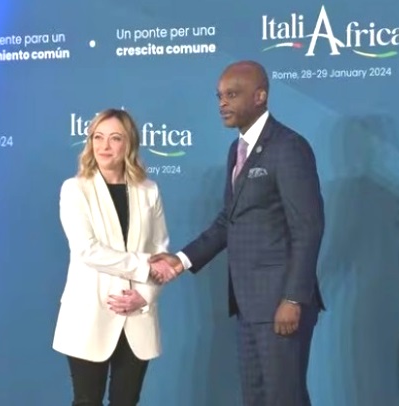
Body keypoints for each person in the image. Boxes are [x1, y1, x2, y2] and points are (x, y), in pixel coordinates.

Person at [149, 61, 325, 406]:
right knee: (256, 398)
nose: (222, 103)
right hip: (248, 304)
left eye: (232, 94)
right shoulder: (237, 150)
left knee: (284, 399)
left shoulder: (288, 147)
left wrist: (293, 299)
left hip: (280, 304)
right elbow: (228, 221)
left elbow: (309, 228)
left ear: (260, 96)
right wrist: (181, 260)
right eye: (219, 96)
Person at [52, 108, 172, 406]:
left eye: (115, 138)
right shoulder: (75, 189)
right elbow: (87, 250)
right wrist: (143, 265)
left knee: (127, 401)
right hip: (89, 314)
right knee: (86, 401)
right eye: (98, 137)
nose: (104, 146)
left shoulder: (149, 190)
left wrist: (145, 296)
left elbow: (161, 252)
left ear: (129, 143)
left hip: (137, 316)